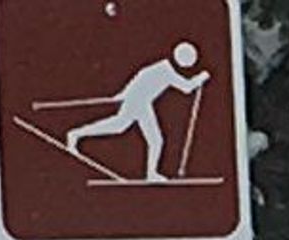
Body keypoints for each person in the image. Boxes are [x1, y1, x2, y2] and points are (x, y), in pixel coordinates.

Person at [58, 44, 209, 183]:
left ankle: (76, 134)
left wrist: (124, 93)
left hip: (139, 101)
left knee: (120, 126)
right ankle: (151, 174)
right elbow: (187, 88)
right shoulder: (166, 71)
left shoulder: (161, 67)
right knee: (153, 139)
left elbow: (141, 76)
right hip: (139, 102)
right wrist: (201, 77)